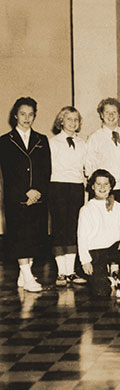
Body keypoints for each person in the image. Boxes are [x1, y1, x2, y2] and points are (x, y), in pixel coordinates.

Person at [0, 97, 51, 292]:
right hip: (16, 198)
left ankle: (24, 273)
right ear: (15, 115)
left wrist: (38, 191)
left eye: (30, 114)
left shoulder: (42, 139)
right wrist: (24, 192)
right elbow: (8, 172)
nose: (26, 118)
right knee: (20, 236)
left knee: (34, 236)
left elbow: (46, 169)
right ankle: (28, 276)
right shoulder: (5, 141)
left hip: (38, 197)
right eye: (22, 114)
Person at [77, 169, 120, 299]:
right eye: (98, 184)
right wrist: (85, 261)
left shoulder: (118, 206)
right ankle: (108, 280)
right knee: (101, 292)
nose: (102, 187)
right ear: (92, 186)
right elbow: (82, 238)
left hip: (113, 247)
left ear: (111, 186)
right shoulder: (86, 209)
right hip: (95, 252)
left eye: (106, 184)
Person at [49, 106, 88, 286]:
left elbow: (86, 168)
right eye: (69, 119)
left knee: (73, 226)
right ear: (61, 121)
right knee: (59, 227)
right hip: (57, 185)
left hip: (77, 186)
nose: (73, 123)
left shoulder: (82, 143)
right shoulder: (52, 142)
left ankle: (71, 271)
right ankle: (61, 272)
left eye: (76, 119)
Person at [85, 98, 120, 210]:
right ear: (101, 115)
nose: (111, 115)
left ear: (119, 114)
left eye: (114, 112)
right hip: (102, 188)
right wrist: (98, 186)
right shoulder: (95, 137)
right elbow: (89, 165)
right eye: (107, 112)